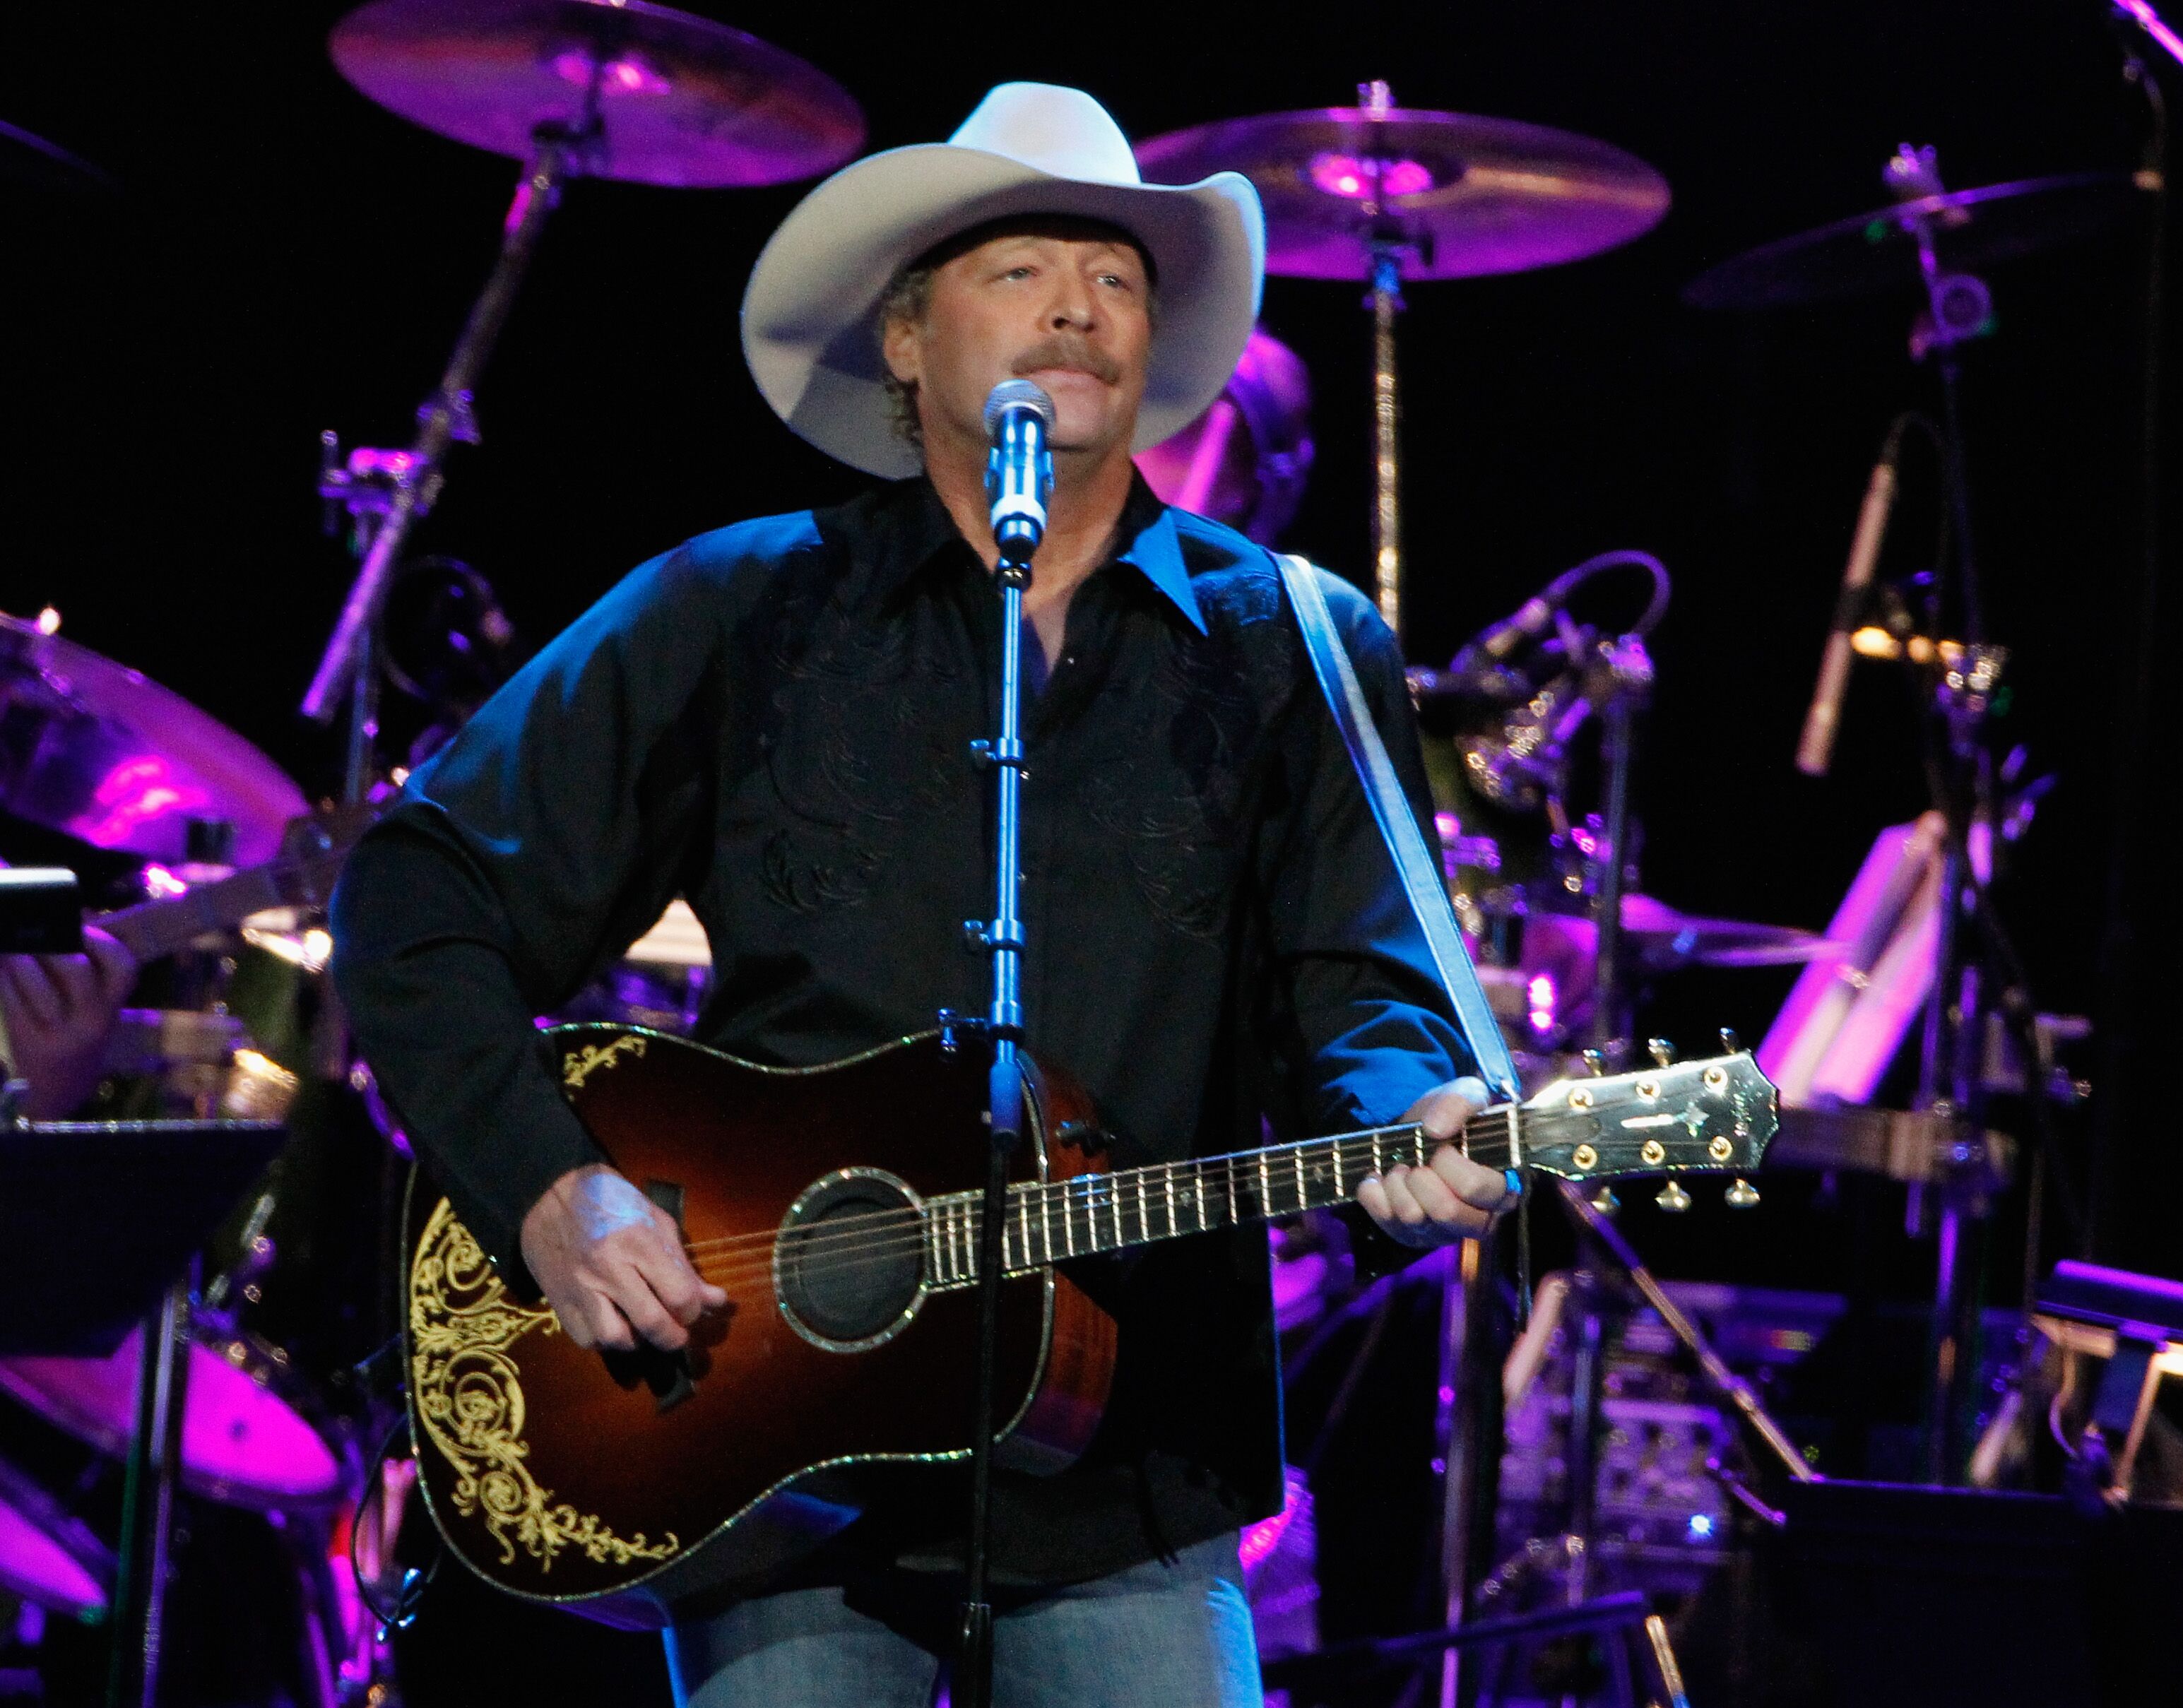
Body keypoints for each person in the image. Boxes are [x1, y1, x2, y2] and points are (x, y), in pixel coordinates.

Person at [331, 83, 1513, 1708]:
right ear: (903, 341)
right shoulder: (742, 603)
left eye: (1113, 273)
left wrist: (1416, 1112)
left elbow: (1367, 976)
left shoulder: (1295, 640)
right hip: (760, 1460)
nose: (1077, 306)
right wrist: (551, 1185)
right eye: (1016, 268)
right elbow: (421, 888)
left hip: (1133, 1466)